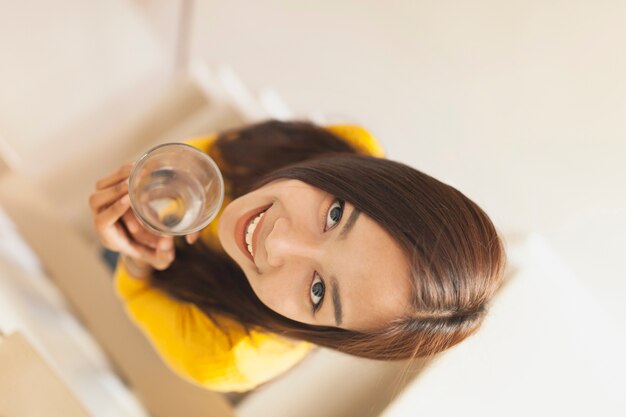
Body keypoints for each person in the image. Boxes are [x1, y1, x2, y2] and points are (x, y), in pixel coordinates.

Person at [89, 120, 506, 392]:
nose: (277, 245)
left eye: (319, 291)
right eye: (336, 214)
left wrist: (136, 253)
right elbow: (213, 151)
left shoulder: (225, 355)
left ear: (327, 335)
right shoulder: (348, 145)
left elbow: (138, 296)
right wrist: (164, 184)